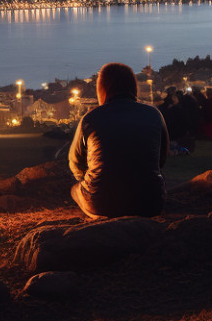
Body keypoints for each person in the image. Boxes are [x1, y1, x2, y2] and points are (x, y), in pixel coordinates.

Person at [68, 62, 170, 219]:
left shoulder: (91, 118)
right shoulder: (154, 114)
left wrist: (92, 179)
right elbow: (161, 158)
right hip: (151, 204)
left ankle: (100, 213)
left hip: (101, 204)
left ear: (102, 88)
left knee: (75, 190)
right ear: (133, 86)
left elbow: (75, 162)